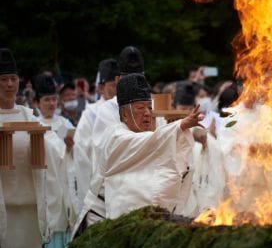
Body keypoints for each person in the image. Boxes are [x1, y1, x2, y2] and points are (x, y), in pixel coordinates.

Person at [73, 74, 201, 235]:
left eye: (149, 108)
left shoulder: (150, 136)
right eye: (140, 108)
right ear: (124, 114)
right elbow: (149, 142)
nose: (147, 113)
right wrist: (180, 125)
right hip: (105, 220)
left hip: (143, 223)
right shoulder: (116, 137)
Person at [0, 48, 62, 248]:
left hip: (26, 207)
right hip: (2, 204)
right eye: (3, 79)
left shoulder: (29, 116)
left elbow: (56, 149)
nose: (9, 84)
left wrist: (42, 140)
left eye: (13, 79)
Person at [34, 74, 76, 248]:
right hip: (43, 183)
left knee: (61, 221)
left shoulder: (65, 124)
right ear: (36, 103)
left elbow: (77, 156)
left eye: (53, 99)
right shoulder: (32, 125)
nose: (51, 103)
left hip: (62, 184)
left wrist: (71, 149)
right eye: (46, 100)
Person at [73, 59, 119, 213]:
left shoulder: (126, 110)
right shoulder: (91, 113)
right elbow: (81, 152)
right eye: (113, 85)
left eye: (120, 85)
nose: (117, 90)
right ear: (101, 88)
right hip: (98, 184)